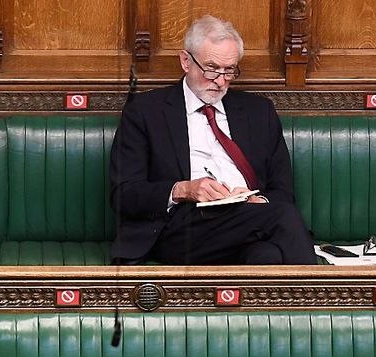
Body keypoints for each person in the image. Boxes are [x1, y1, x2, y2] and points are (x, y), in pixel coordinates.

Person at [110, 15, 317, 265]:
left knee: (267, 256)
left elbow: (283, 191)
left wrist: (257, 201)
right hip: (180, 228)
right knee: (283, 216)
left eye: (229, 71)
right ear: (186, 61)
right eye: (211, 69)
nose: (220, 81)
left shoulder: (259, 112)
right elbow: (124, 194)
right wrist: (184, 189)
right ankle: (325, 302)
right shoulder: (145, 112)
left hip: (249, 221)